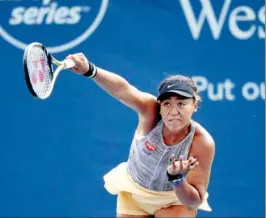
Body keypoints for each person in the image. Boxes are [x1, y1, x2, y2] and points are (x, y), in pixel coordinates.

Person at [66, 53, 215, 218]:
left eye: (181, 103)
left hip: (173, 201)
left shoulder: (202, 142)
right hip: (134, 194)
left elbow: (192, 203)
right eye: (167, 104)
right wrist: (90, 70)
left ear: (195, 105)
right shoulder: (150, 111)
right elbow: (123, 89)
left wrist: (177, 178)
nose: (173, 112)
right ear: (159, 106)